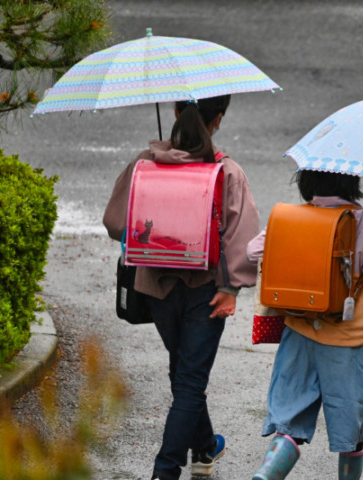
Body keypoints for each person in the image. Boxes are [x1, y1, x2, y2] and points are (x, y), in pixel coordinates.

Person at [103, 95, 259, 480]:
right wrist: (232, 288)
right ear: (218, 119)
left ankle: (205, 447)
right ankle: (165, 471)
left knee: (183, 372)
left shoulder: (145, 164)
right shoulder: (226, 172)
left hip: (155, 288)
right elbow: (243, 239)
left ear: (174, 112)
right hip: (206, 290)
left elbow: (114, 223)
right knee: (189, 380)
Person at [246, 169, 363, 480]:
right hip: (347, 343)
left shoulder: (292, 218)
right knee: (351, 432)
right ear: (352, 183)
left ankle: (267, 476)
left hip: (298, 332)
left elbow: (253, 252)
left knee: (289, 426)